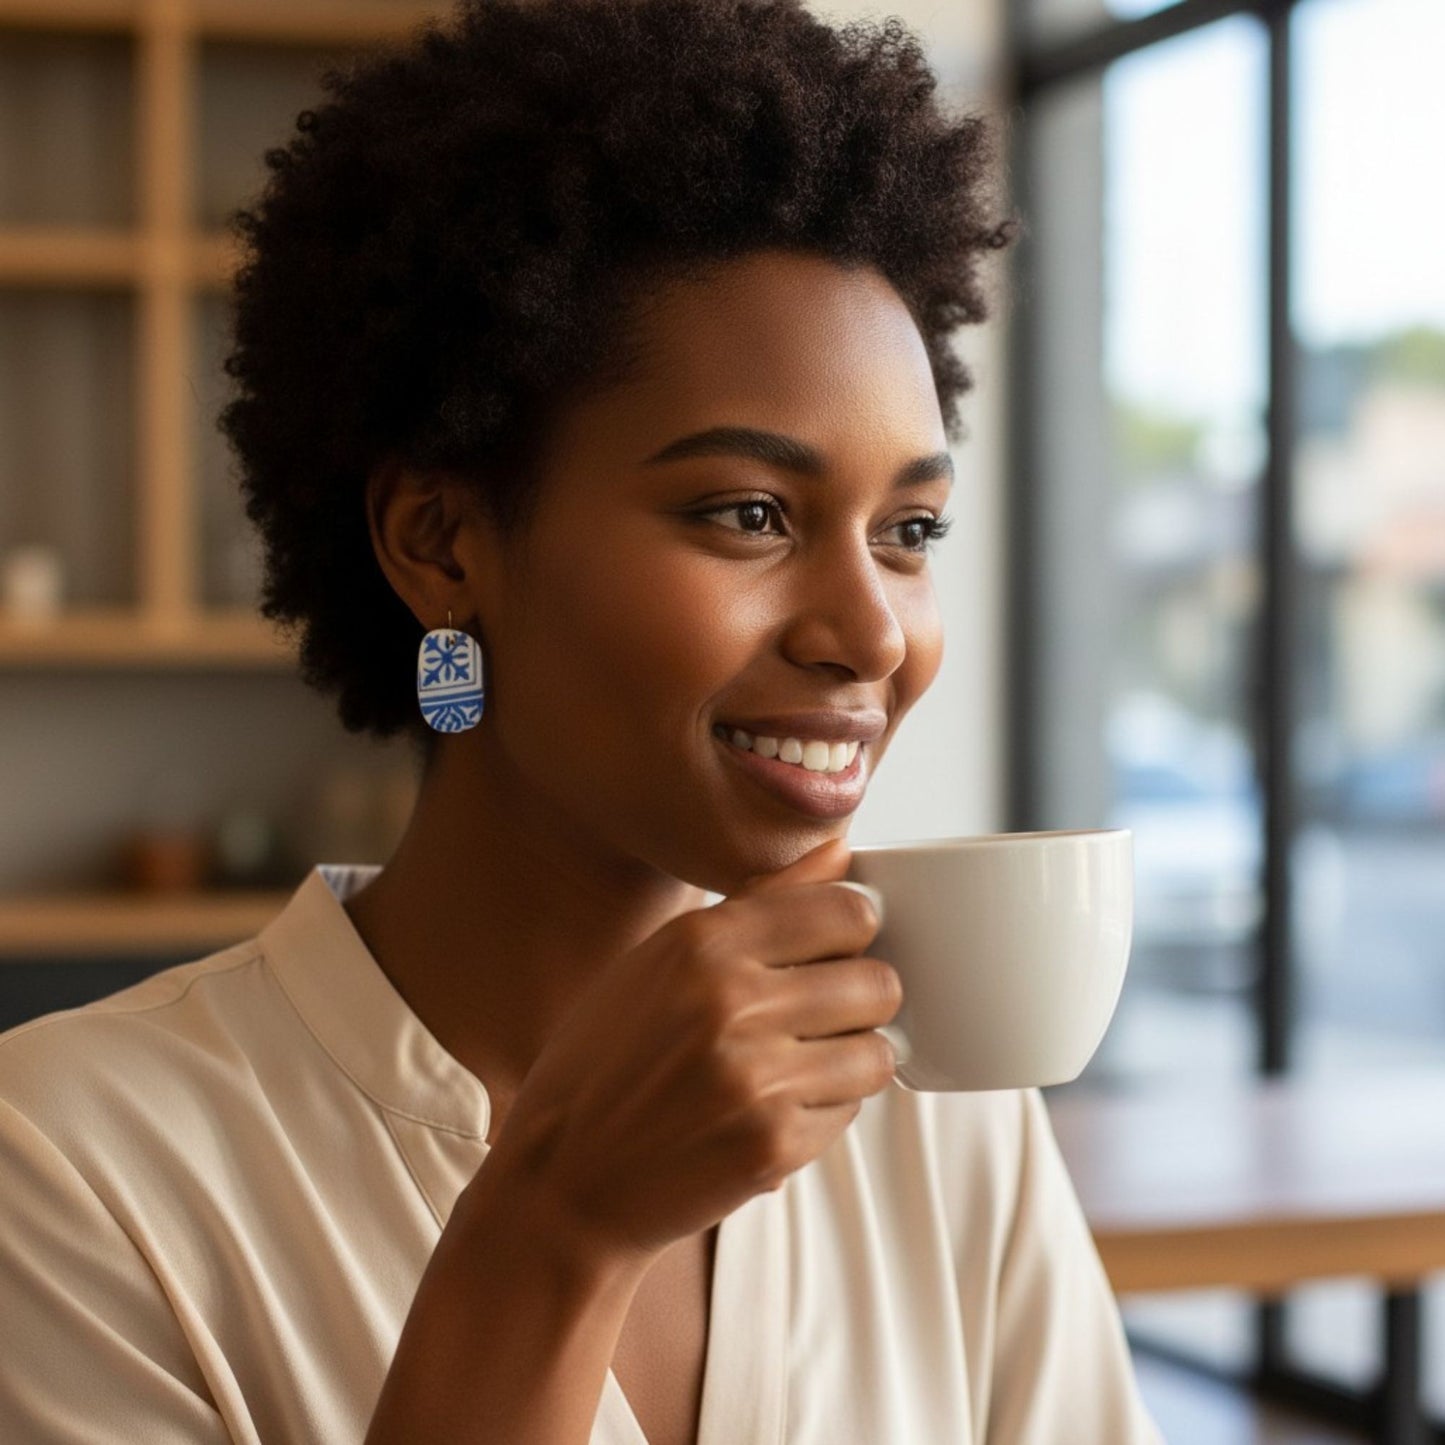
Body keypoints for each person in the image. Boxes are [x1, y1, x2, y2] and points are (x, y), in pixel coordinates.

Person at [0, 0, 1165, 1441]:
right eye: (749, 512)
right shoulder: (65, 1168)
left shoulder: (944, 1111)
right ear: (440, 539)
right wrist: (554, 1233)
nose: (871, 630)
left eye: (909, 526)